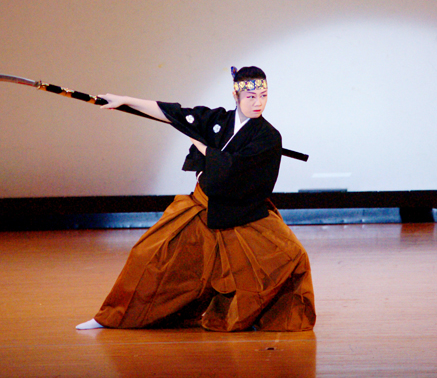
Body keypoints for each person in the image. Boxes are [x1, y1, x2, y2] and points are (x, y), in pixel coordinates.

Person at [76, 66, 315, 332]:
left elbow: (231, 168)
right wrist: (125, 100)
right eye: (251, 97)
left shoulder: (268, 136)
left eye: (263, 95)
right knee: (148, 254)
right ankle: (112, 315)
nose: (258, 103)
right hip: (202, 206)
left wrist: (200, 144)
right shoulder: (217, 120)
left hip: (242, 213)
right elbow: (173, 114)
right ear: (236, 96)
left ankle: (268, 315)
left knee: (291, 256)